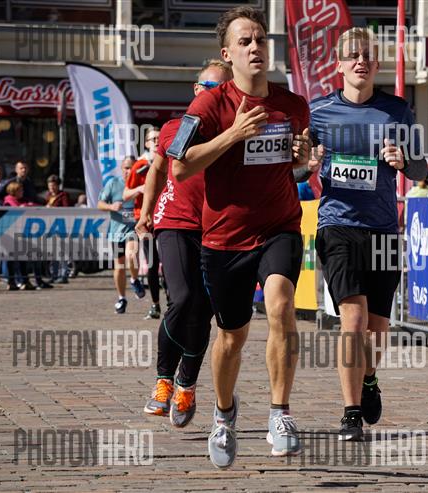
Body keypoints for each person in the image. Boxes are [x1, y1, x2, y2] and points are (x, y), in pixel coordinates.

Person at [172, 6, 316, 465]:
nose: (256, 48)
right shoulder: (209, 106)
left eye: (261, 40)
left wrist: (302, 158)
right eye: (245, 41)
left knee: (281, 306)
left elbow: (295, 164)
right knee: (231, 337)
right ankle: (223, 414)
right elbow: (180, 167)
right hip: (225, 237)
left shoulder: (293, 104)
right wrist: (232, 134)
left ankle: (280, 413)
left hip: (279, 226)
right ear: (227, 53)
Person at [309, 27, 427, 441]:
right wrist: (308, 162)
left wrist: (403, 161)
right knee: (353, 319)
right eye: (353, 56)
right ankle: (350, 411)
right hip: (338, 225)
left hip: (383, 229)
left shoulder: (397, 111)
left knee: (377, 326)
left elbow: (421, 169)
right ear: (339, 64)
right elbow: (296, 168)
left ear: (376, 64)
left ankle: (370, 378)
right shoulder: (318, 112)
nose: (361, 61)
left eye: (368, 56)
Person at [136, 58, 232, 427]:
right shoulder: (175, 128)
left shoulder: (234, 131)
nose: (216, 94)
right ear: (196, 90)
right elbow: (158, 170)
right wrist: (146, 211)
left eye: (223, 89)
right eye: (210, 87)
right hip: (175, 221)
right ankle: (163, 381)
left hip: (217, 228)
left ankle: (186, 384)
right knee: (182, 298)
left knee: (203, 312)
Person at [98, 156, 146, 313]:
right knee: (119, 266)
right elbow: (100, 204)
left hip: (133, 228)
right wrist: (111, 207)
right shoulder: (113, 183)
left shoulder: (141, 184)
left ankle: (134, 279)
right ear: (121, 168)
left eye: (132, 168)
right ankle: (121, 298)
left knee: (131, 255)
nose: (128, 171)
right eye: (126, 168)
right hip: (116, 232)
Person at [125, 127, 162, 320]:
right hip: (145, 220)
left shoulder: (170, 160)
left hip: (166, 217)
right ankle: (155, 304)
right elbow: (125, 194)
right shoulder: (139, 165)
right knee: (152, 263)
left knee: (170, 263)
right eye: (152, 139)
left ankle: (174, 303)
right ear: (146, 143)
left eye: (159, 138)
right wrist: (139, 188)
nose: (156, 141)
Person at [45, 175, 71, 283]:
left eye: (54, 185)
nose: (52, 188)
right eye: (50, 185)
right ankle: (54, 275)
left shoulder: (63, 195)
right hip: (50, 227)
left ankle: (64, 275)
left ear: (58, 185)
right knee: (53, 253)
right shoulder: (48, 196)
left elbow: (66, 208)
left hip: (61, 226)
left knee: (62, 251)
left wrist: (53, 208)